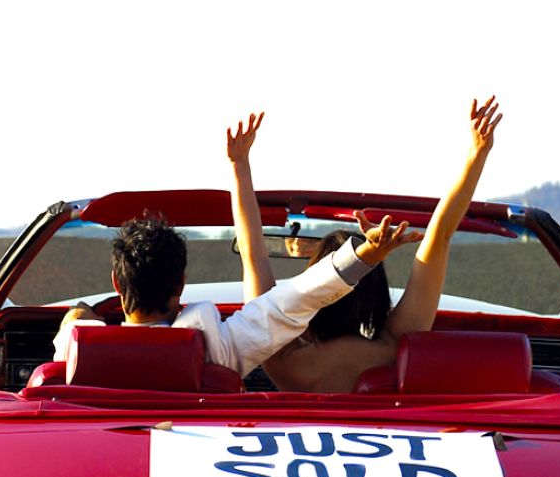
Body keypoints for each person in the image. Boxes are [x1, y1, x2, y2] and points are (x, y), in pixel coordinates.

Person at [226, 98, 502, 392]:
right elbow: (441, 237)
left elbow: (253, 254)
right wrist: (477, 154)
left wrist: (239, 165)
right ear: (377, 292)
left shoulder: (283, 359)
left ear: (312, 288)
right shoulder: (396, 349)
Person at [51, 211, 411, 379]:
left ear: (117, 282)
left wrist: (79, 317)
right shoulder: (217, 348)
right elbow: (298, 300)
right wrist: (365, 255)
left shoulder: (75, 350)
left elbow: (74, 329)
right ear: (181, 285)